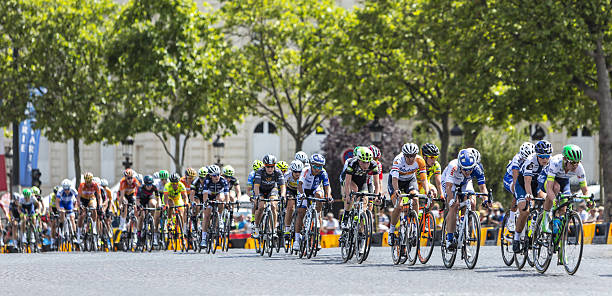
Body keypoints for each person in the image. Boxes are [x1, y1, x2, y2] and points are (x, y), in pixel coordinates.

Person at [441, 149, 490, 249]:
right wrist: (451, 200)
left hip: (465, 182)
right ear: (460, 166)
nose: (468, 172)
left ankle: (464, 225)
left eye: (470, 169)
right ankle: (449, 238)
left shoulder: (477, 168)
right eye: (465, 169)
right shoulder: (453, 166)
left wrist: (485, 199)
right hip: (451, 183)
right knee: (454, 206)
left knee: (472, 202)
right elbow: (449, 188)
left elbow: (482, 187)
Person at [538, 145, 590, 234]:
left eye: (577, 162)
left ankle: (558, 238)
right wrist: (554, 200)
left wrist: (588, 200)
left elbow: (585, 190)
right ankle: (545, 220)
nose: (575, 165)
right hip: (547, 178)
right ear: (565, 159)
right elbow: (549, 188)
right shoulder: (555, 162)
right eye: (572, 162)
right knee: (556, 188)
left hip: (564, 181)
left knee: (564, 205)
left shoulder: (579, 168)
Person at [512, 140, 551, 252]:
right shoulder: (530, 161)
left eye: (547, 156)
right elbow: (527, 182)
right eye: (542, 156)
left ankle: (536, 229)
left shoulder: (551, 162)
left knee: (547, 200)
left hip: (537, 185)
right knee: (525, 210)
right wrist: (528, 194)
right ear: (537, 155)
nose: (545, 159)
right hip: (523, 184)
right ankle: (517, 238)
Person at [387, 143, 429, 246]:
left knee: (415, 198)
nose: (411, 159)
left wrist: (428, 192)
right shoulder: (398, 160)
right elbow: (395, 179)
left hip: (410, 180)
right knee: (399, 206)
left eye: (413, 156)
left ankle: (414, 227)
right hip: (396, 182)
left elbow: (423, 179)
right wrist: (396, 190)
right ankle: (391, 232)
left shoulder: (420, 161)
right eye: (408, 156)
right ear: (404, 155)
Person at [294, 153, 332, 251]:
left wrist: (328, 196)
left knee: (320, 195)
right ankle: (297, 240)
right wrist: (302, 194)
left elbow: (327, 185)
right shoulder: (305, 170)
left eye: (320, 166)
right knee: (301, 212)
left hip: (315, 189)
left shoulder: (323, 172)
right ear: (311, 164)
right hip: (304, 190)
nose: (317, 169)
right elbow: (299, 184)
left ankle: (317, 215)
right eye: (315, 166)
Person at [340, 147, 380, 228]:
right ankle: (346, 216)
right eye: (363, 162)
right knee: (354, 191)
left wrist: (376, 195)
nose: (366, 165)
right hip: (350, 179)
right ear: (358, 160)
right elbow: (347, 182)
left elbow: (376, 182)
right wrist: (347, 196)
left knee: (364, 201)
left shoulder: (374, 164)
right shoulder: (352, 163)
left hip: (362, 181)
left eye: (367, 163)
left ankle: (361, 231)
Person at [503, 142, 535, 232]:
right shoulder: (516, 159)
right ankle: (511, 219)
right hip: (509, 178)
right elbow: (516, 179)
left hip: (523, 177)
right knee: (515, 189)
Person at [252, 155, 286, 239]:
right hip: (261, 190)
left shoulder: (278, 172)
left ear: (274, 165)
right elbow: (256, 186)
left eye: (272, 166)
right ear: (264, 165)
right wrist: (256, 196)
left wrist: (282, 196)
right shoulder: (260, 171)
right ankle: (256, 228)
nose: (270, 169)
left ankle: (273, 229)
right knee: (261, 207)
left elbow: (282, 186)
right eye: (267, 166)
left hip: (272, 189)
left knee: (273, 206)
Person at [200, 165, 230, 248]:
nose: (217, 177)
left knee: (221, 199)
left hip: (218, 194)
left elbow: (227, 194)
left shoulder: (223, 180)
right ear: (210, 176)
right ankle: (203, 238)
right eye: (214, 175)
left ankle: (219, 217)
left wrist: (227, 203)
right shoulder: (207, 181)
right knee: (206, 215)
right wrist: (206, 203)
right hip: (209, 196)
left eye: (218, 174)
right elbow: (205, 194)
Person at [136, 175, 161, 246]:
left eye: (150, 184)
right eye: (147, 185)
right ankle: (139, 235)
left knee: (153, 204)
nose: (149, 186)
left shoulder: (154, 187)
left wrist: (158, 204)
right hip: (142, 201)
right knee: (141, 217)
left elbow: (158, 197)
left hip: (150, 198)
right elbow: (137, 201)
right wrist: (140, 206)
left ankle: (151, 220)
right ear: (145, 184)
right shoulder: (140, 188)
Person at [77, 172, 102, 240]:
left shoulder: (95, 185)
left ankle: (93, 227)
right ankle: (79, 233)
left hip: (91, 198)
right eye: (86, 182)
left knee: (94, 209)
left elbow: (99, 196)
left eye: (89, 182)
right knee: (82, 215)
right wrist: (79, 205)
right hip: (83, 199)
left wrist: (99, 205)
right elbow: (78, 197)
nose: (88, 184)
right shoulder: (82, 185)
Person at [283, 160, 303, 240]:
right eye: (295, 172)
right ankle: (287, 229)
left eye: (299, 172)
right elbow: (283, 186)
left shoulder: (303, 175)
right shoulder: (287, 175)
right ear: (291, 170)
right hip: (290, 190)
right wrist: (283, 196)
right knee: (290, 207)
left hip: (300, 190)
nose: (297, 174)